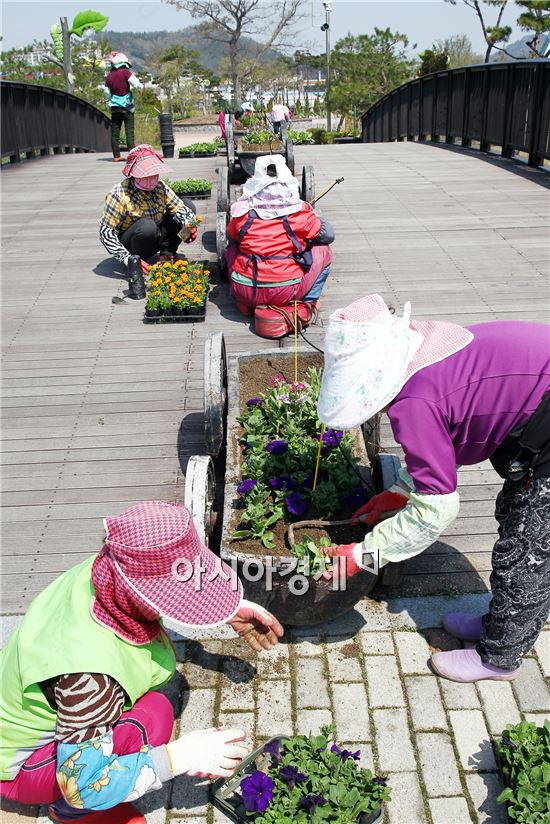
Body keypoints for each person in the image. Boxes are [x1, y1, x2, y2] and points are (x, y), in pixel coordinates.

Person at [0, 501, 283, 824]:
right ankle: (70, 814)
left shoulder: (106, 567)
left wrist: (221, 608)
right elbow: (82, 785)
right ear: (138, 590)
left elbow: (160, 585)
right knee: (153, 720)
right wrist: (179, 758)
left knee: (156, 707)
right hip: (17, 766)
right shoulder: (88, 676)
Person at [317, 294, 550, 683]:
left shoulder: (413, 401)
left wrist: (365, 553)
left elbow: (438, 508)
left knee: (528, 549)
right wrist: (402, 490)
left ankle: (499, 658)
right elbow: (450, 432)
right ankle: (503, 623)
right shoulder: (423, 353)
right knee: (516, 517)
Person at [225, 154, 334, 319]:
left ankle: (245, 302)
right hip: (287, 290)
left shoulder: (243, 212)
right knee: (324, 251)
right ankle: (309, 302)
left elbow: (231, 235)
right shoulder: (299, 212)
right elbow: (328, 236)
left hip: (247, 289)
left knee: (232, 249)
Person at [99, 144, 198, 278]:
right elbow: (106, 233)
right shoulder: (119, 194)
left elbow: (180, 208)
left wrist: (190, 226)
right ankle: (137, 261)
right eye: (146, 175)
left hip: (157, 237)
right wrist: (127, 258)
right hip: (135, 244)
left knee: (188, 206)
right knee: (147, 225)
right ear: (133, 175)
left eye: (154, 174)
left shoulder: (160, 187)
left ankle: (167, 254)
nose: (151, 178)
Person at [104, 52, 141, 162]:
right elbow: (137, 84)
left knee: (115, 132)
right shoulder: (125, 73)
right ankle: (132, 156)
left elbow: (106, 93)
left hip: (115, 108)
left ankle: (116, 156)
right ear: (124, 63)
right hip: (127, 107)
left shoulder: (109, 76)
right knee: (129, 132)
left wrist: (112, 96)